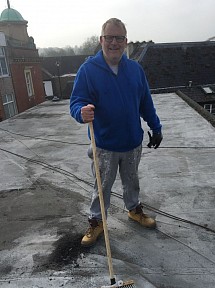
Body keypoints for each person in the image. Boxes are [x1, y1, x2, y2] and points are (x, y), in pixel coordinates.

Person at [70, 18, 163, 247]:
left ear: (125, 41)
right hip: (104, 144)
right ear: (101, 40)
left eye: (119, 38)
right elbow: (76, 101)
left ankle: (134, 210)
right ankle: (97, 221)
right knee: (101, 187)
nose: (114, 42)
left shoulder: (135, 69)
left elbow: (145, 103)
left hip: (132, 141)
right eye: (109, 37)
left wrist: (156, 127)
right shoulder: (88, 71)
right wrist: (81, 112)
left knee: (132, 181)